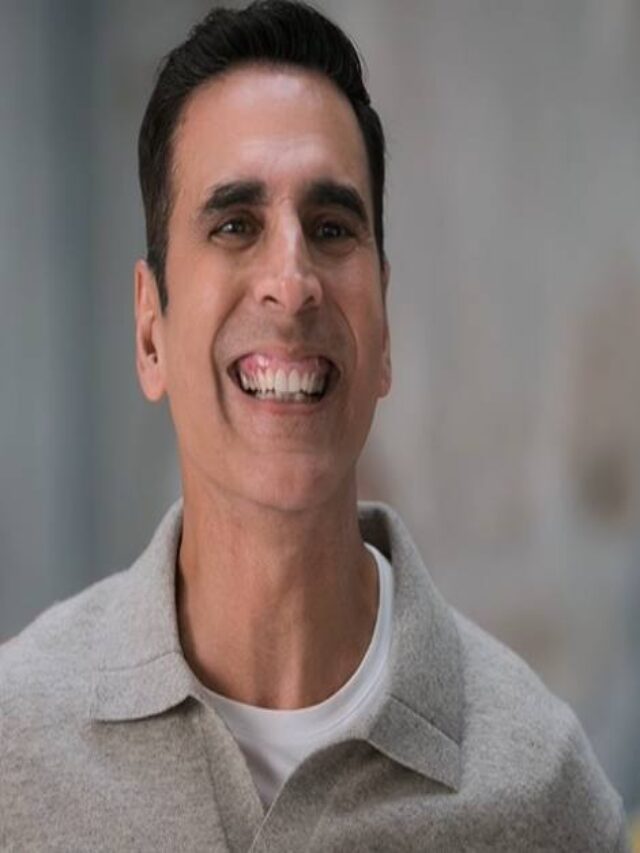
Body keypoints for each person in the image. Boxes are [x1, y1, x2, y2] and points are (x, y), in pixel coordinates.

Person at [0, 2, 630, 850]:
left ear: (385, 333)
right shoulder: (15, 749)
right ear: (150, 333)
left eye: (331, 228)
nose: (292, 281)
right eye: (236, 225)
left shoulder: (540, 790)